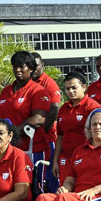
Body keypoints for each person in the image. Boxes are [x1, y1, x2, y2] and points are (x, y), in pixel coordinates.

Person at [0, 51, 51, 174]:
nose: (17, 70)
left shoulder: (38, 91)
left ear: (31, 69)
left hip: (32, 150)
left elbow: (38, 119)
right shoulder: (6, 91)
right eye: (15, 66)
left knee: (33, 187)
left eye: (22, 66)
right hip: (7, 150)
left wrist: (13, 134)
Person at [52, 72, 101, 185]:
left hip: (86, 158)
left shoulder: (93, 108)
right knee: (64, 191)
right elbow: (60, 136)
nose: (70, 91)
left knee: (82, 190)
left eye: (74, 87)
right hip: (66, 158)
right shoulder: (64, 108)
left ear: (84, 87)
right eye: (67, 88)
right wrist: (55, 160)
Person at [32, 53, 62, 190]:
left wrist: (44, 130)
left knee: (47, 176)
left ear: (42, 65)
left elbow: (54, 110)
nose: (34, 69)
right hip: (31, 140)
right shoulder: (29, 82)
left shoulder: (49, 84)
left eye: (36, 65)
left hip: (47, 139)